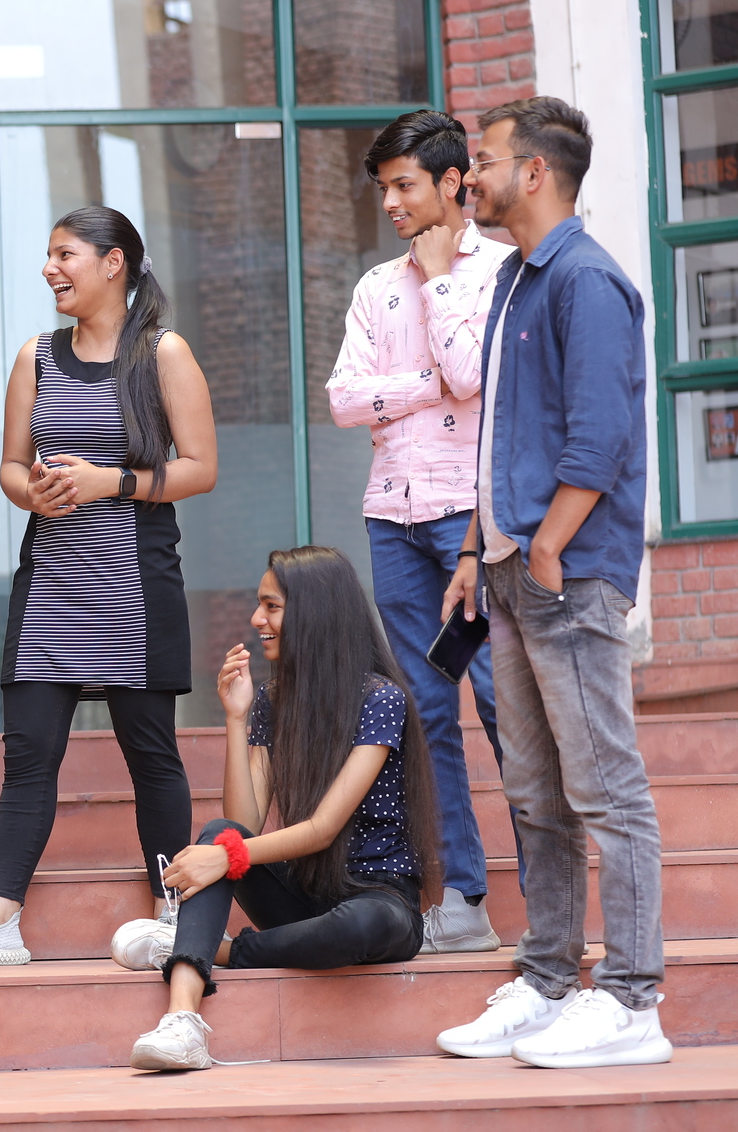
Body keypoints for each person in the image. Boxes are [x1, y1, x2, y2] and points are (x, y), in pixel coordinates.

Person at [0, 207, 217, 968]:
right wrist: (31, 493)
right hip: (51, 584)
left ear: (113, 263)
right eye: (48, 255)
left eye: (65, 254)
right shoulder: (36, 356)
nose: (50, 269)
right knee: (30, 754)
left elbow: (202, 468)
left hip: (135, 582)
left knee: (151, 754)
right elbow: (12, 467)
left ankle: (174, 915)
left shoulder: (163, 353)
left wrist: (113, 481)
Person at [436, 97, 670, 1069]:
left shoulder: (586, 279)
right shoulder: (515, 280)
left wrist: (544, 549)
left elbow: (600, 436)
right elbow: (502, 434)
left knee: (605, 790)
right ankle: (545, 982)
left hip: (566, 572)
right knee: (537, 792)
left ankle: (633, 1001)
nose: (469, 176)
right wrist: (475, 552)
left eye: (484, 159)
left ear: (535, 172)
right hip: (511, 571)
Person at [113, 546, 438, 1072]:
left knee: (364, 921)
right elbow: (245, 822)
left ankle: (209, 950)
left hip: (379, 900)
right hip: (304, 896)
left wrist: (227, 857)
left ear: (314, 613)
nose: (256, 619)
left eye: (271, 606)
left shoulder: (381, 700)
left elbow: (323, 828)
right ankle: (182, 1018)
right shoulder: (274, 698)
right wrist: (236, 719)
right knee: (222, 832)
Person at [327, 110, 518, 954]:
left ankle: (548, 894)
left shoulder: (504, 271)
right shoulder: (375, 286)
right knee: (426, 714)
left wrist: (440, 283)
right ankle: (466, 899)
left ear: (451, 182)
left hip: (471, 521)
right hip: (392, 519)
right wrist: (426, 381)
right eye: (384, 188)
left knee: (504, 705)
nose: (392, 203)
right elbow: (344, 400)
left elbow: (475, 376)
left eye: (404, 185)